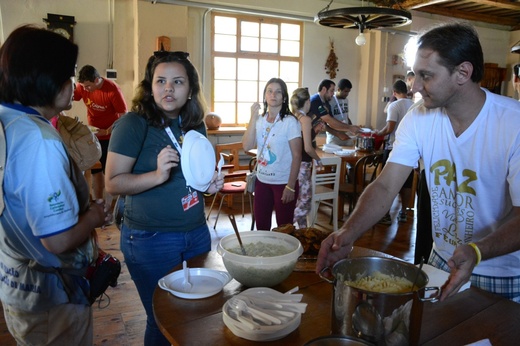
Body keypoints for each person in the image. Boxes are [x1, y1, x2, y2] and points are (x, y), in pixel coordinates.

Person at [317, 22, 520, 303]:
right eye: (414, 74)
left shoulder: (513, 123)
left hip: (503, 272)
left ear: (462, 72)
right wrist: (347, 233)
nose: (414, 86)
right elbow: (386, 186)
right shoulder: (418, 118)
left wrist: (477, 251)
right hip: (442, 261)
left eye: (426, 75)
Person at [104, 51, 223, 346]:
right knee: (162, 320)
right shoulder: (134, 124)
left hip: (196, 233)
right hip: (150, 239)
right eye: (161, 81)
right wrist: (156, 175)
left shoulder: (195, 125)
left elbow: (196, 181)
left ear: (190, 89)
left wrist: (210, 185)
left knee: (195, 315)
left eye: (178, 81)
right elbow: (112, 183)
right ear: (150, 86)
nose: (168, 88)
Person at [0, 25, 109, 345]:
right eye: (69, 75)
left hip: (17, 285)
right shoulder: (39, 142)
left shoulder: (7, 119)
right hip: (53, 299)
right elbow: (58, 240)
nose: (73, 85)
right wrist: (93, 216)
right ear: (46, 80)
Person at [242, 78, 302, 231]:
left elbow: (297, 155)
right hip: (262, 181)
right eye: (269, 91)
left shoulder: (290, 122)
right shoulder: (260, 120)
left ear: (284, 97)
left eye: (278, 91)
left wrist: (290, 186)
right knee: (261, 226)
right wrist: (252, 118)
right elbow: (246, 146)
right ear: (265, 95)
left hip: (283, 183)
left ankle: (286, 255)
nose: (273, 94)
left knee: (284, 228)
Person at [74, 65, 128, 221]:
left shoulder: (112, 90)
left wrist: (108, 131)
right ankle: (99, 206)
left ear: (97, 80)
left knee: (109, 172)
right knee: (96, 170)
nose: (85, 89)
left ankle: (113, 209)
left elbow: (124, 115)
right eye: (83, 86)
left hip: (111, 136)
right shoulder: (82, 87)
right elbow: (71, 96)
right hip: (93, 136)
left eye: (88, 86)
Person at [374, 79, 415, 225]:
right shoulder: (414, 105)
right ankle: (403, 212)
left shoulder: (394, 105)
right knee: (407, 184)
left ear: (394, 92)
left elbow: (390, 128)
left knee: (389, 183)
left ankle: (386, 214)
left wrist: (378, 133)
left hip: (394, 149)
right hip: (411, 150)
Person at [290, 87, 326, 228]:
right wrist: (318, 159)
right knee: (305, 202)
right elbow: (308, 148)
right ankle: (284, 224)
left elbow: (303, 140)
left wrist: (315, 131)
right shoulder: (305, 119)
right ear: (307, 102)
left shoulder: (294, 117)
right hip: (303, 165)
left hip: (294, 164)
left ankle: (302, 233)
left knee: (300, 201)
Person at [310, 79, 361, 144]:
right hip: (303, 136)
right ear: (324, 89)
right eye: (332, 91)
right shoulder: (316, 101)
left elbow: (331, 122)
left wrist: (338, 134)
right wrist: (350, 128)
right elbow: (329, 120)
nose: (333, 93)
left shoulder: (326, 103)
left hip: (312, 137)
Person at [326, 78, 356, 146]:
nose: (347, 94)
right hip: (334, 137)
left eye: (348, 92)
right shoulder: (330, 100)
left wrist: (352, 128)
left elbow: (346, 116)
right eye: (345, 91)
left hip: (346, 135)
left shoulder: (346, 100)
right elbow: (326, 122)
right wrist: (338, 134)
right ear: (339, 89)